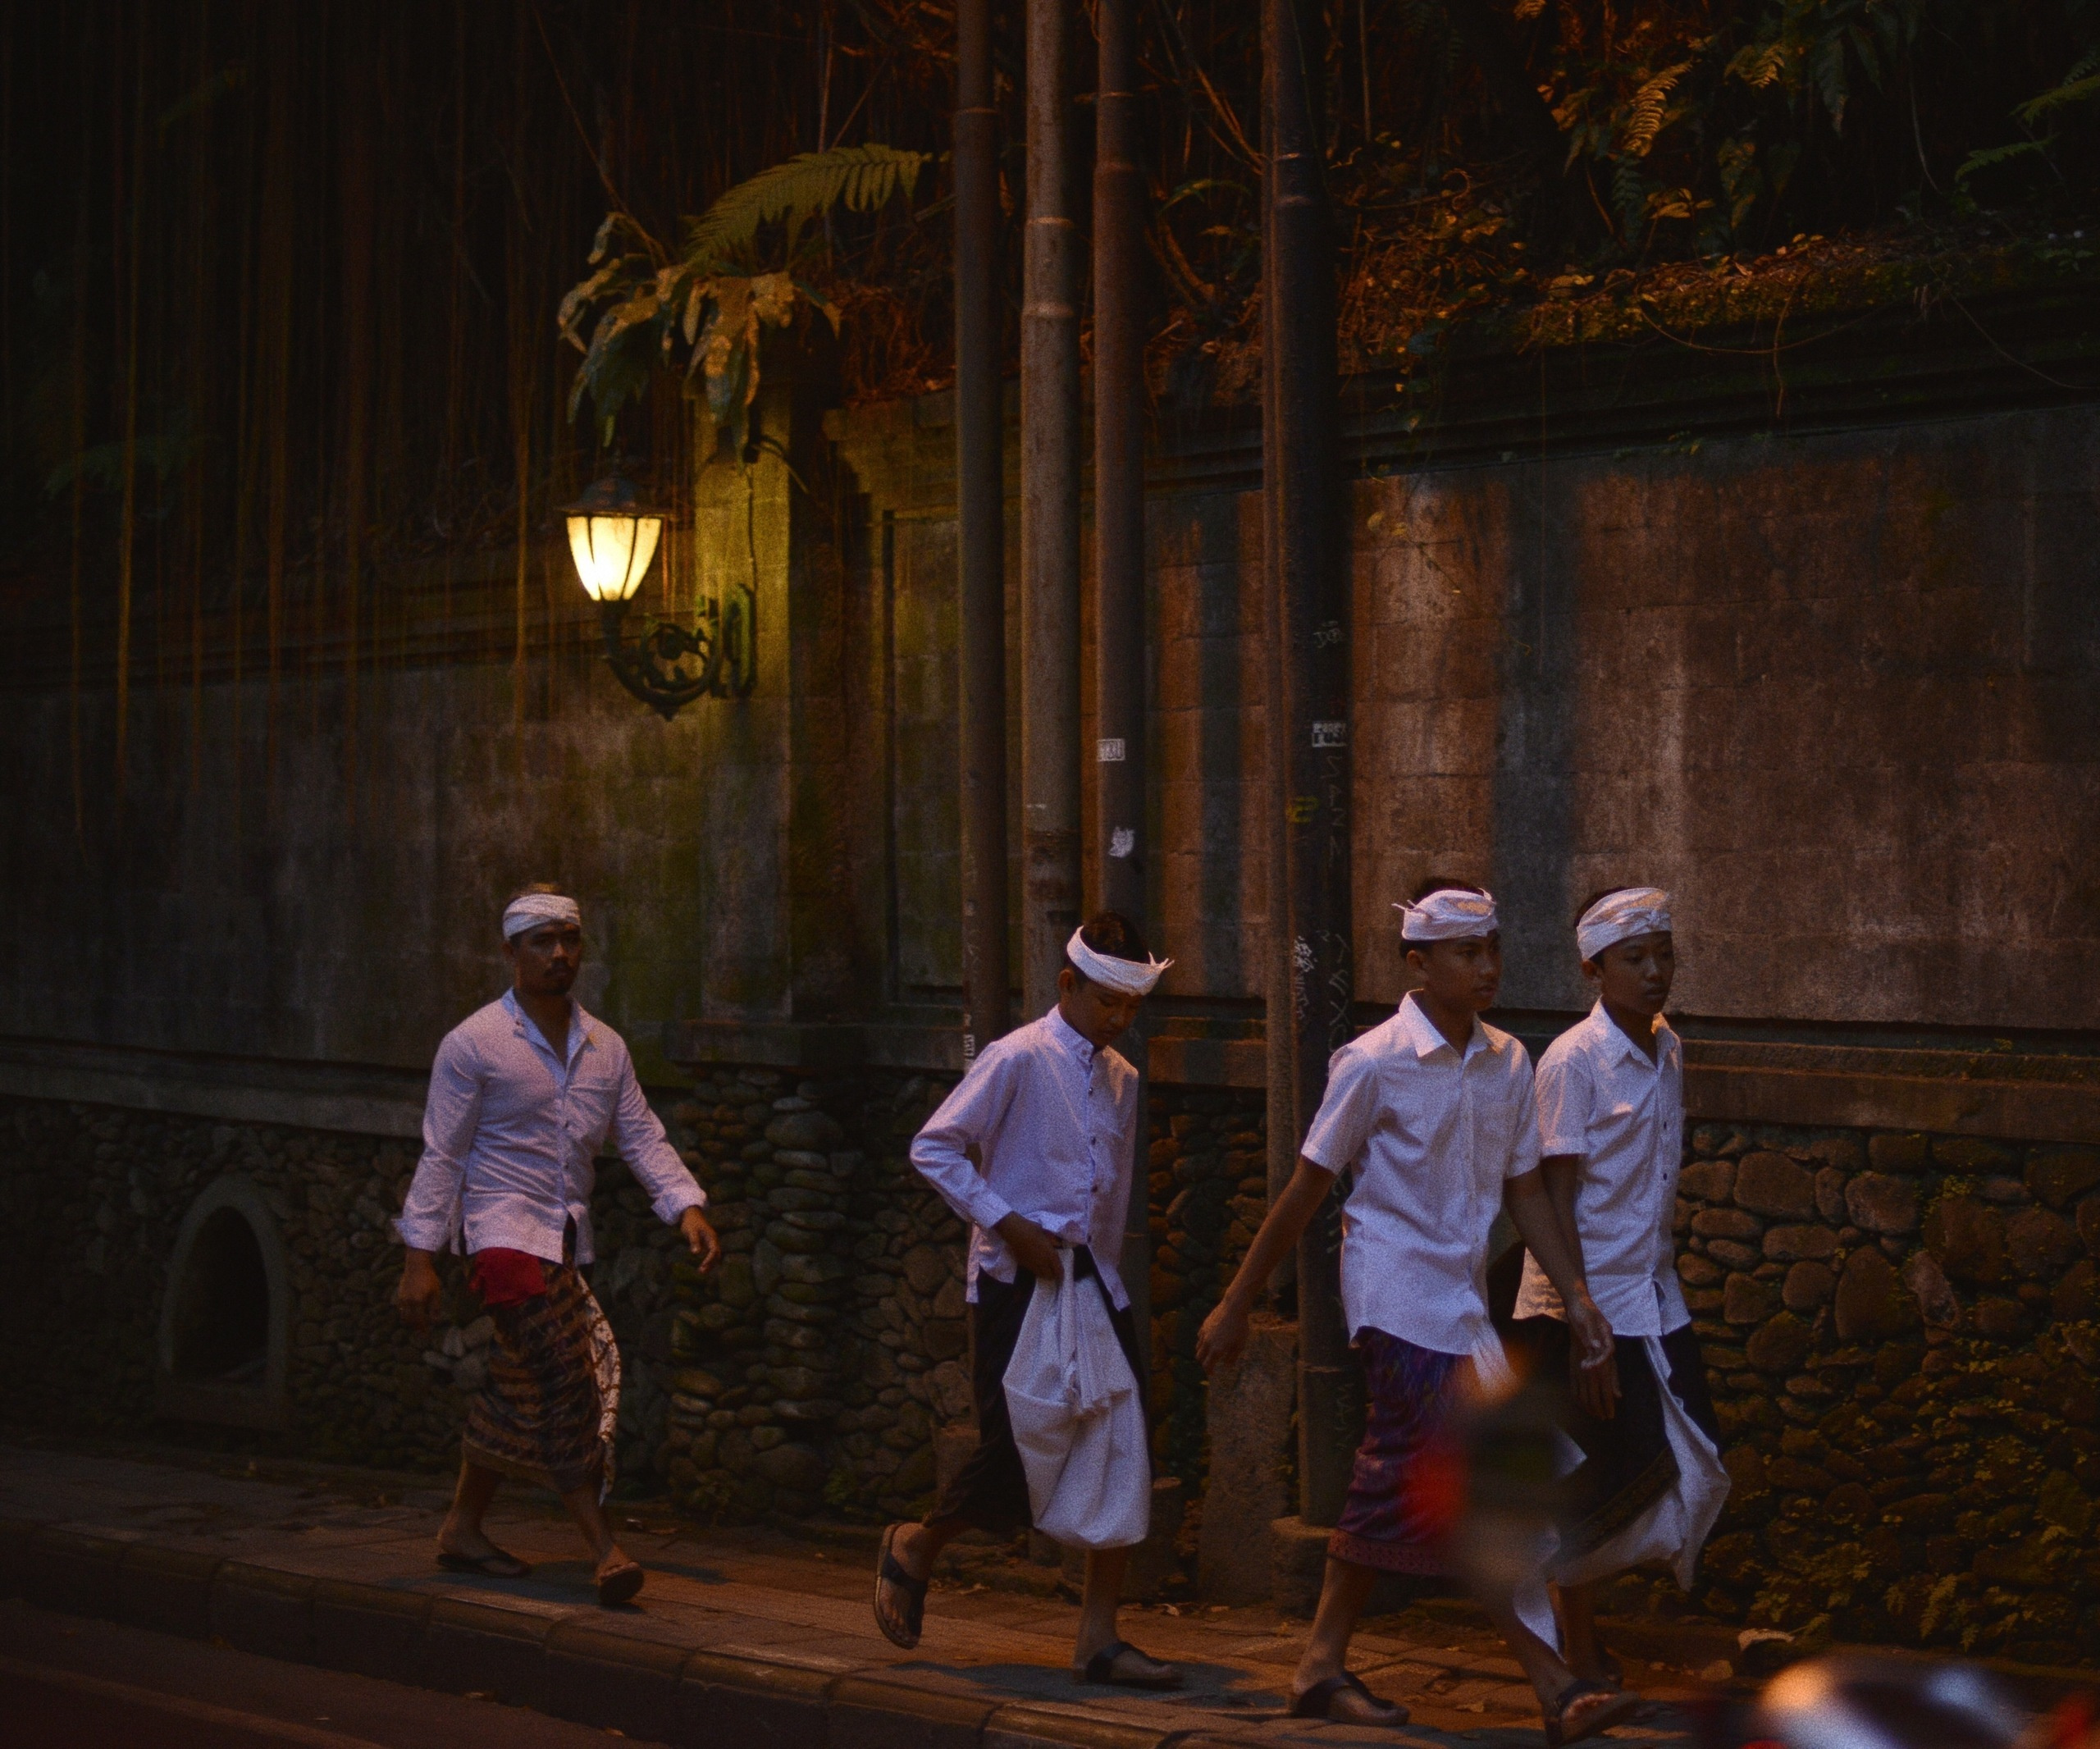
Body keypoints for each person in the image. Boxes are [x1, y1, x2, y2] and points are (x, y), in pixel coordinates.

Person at [1197, 880, 1639, 1746]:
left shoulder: (1509, 1059)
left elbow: (1525, 1189)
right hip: (1393, 1301)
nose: (1487, 967)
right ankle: (1556, 1685)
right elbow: (1306, 1186)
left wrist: (1576, 1293)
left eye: (1492, 949)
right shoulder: (1370, 1060)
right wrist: (1237, 1298)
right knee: (1469, 1489)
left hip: (1463, 1307)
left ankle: (1320, 1664)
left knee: (1403, 1482)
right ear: (1417, 962)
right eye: (1467, 952)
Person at [872, 912, 1180, 1690]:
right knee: (1013, 1447)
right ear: (1068, 985)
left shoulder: (1123, 1079)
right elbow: (934, 1146)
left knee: (1122, 1442)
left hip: (1092, 1284)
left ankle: (1099, 1637)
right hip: (1017, 1284)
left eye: (1131, 1006)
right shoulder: (1017, 1057)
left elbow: (1108, 1199)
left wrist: (1098, 1277)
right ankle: (916, 1543)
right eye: (1106, 1000)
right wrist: (1010, 1226)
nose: (1118, 1019)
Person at [394, 884, 721, 1607]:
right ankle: (604, 1548)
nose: (559, 954)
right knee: (565, 1375)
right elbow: (441, 1154)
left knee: (522, 1384)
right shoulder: (474, 1044)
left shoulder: (605, 1048)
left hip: (565, 1239)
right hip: (502, 1239)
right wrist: (419, 1259)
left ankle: (462, 1528)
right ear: (510, 952)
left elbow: (640, 1135)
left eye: (569, 939)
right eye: (541, 942)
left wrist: (686, 1206)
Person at [1506, 886, 1728, 1688]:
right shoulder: (1573, 1059)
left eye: (1663, 953)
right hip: (1582, 1299)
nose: (1654, 970)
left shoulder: (1668, 1046)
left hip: (1653, 1292)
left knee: (1690, 1457)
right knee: (1596, 1476)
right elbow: (1551, 1192)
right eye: (1634, 958)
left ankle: (1576, 1632)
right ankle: (1575, 1645)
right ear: (1592, 966)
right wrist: (1580, 1317)